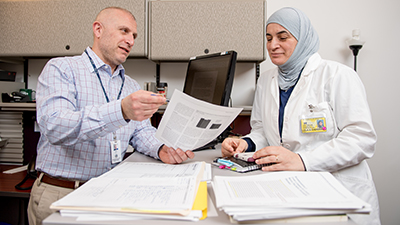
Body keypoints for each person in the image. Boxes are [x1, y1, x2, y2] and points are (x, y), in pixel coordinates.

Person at [28, 7, 194, 225]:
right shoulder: (62, 69)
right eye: (124, 31)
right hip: (62, 193)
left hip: (108, 193)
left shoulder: (130, 85)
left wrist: (161, 149)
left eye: (134, 35)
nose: (131, 40)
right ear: (98, 29)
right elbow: (56, 127)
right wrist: (121, 111)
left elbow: (141, 131)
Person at [221, 7, 380, 225]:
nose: (272, 45)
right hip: (288, 189)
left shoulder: (338, 76)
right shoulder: (266, 81)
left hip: (338, 191)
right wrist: (244, 144)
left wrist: (302, 160)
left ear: (303, 38)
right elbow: (261, 131)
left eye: (282, 37)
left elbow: (361, 139)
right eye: (268, 38)